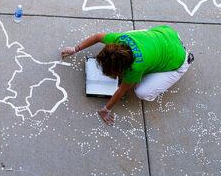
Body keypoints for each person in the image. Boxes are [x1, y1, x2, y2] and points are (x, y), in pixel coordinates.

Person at [61, 25, 193, 126]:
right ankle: (154, 58)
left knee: (142, 91)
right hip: (168, 34)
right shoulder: (119, 41)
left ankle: (184, 62)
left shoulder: (135, 67)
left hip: (179, 58)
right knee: (129, 36)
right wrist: (75, 49)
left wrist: (106, 109)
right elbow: (97, 37)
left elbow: (121, 91)